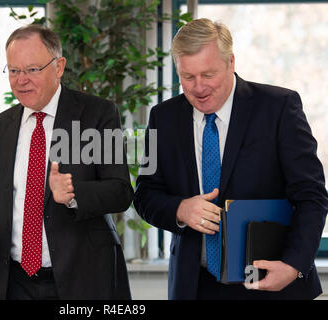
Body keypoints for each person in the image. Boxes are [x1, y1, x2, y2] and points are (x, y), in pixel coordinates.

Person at [134, 18, 327, 300]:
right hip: (194, 286)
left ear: (231, 62)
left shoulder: (278, 108)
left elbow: (312, 195)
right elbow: (145, 194)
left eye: (208, 74)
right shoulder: (164, 117)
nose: (199, 87)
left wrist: (294, 265)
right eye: (188, 77)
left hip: (270, 281)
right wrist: (180, 209)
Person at [0, 24, 133, 300]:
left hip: (83, 278)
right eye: (14, 70)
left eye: (32, 70)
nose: (21, 80)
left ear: (58, 67)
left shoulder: (98, 115)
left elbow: (120, 192)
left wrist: (73, 194)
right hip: (13, 282)